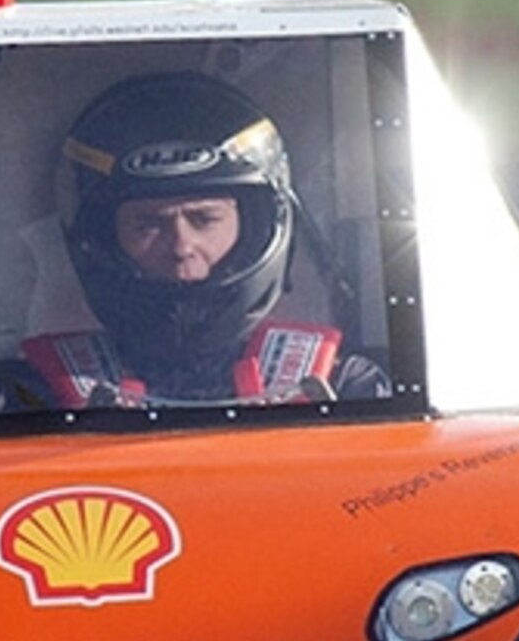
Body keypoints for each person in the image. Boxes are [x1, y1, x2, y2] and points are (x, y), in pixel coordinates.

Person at [25, 72, 387, 408]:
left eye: (204, 219)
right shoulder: (35, 396)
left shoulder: (347, 387)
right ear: (104, 238)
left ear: (254, 226)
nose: (181, 247)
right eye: (148, 225)